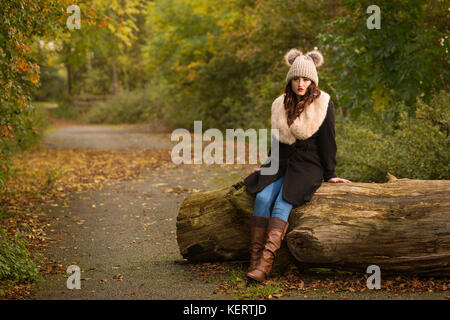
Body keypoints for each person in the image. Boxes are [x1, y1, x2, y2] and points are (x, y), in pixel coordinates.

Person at [243, 48, 352, 283]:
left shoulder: (323, 103)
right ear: (290, 80)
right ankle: (253, 261)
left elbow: (328, 141)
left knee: (284, 201)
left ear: (312, 80)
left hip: (308, 166)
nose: (300, 83)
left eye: (305, 79)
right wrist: (266, 166)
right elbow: (276, 140)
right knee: (262, 197)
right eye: (296, 78)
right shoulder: (279, 104)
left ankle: (265, 264)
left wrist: (330, 173)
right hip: (281, 163)